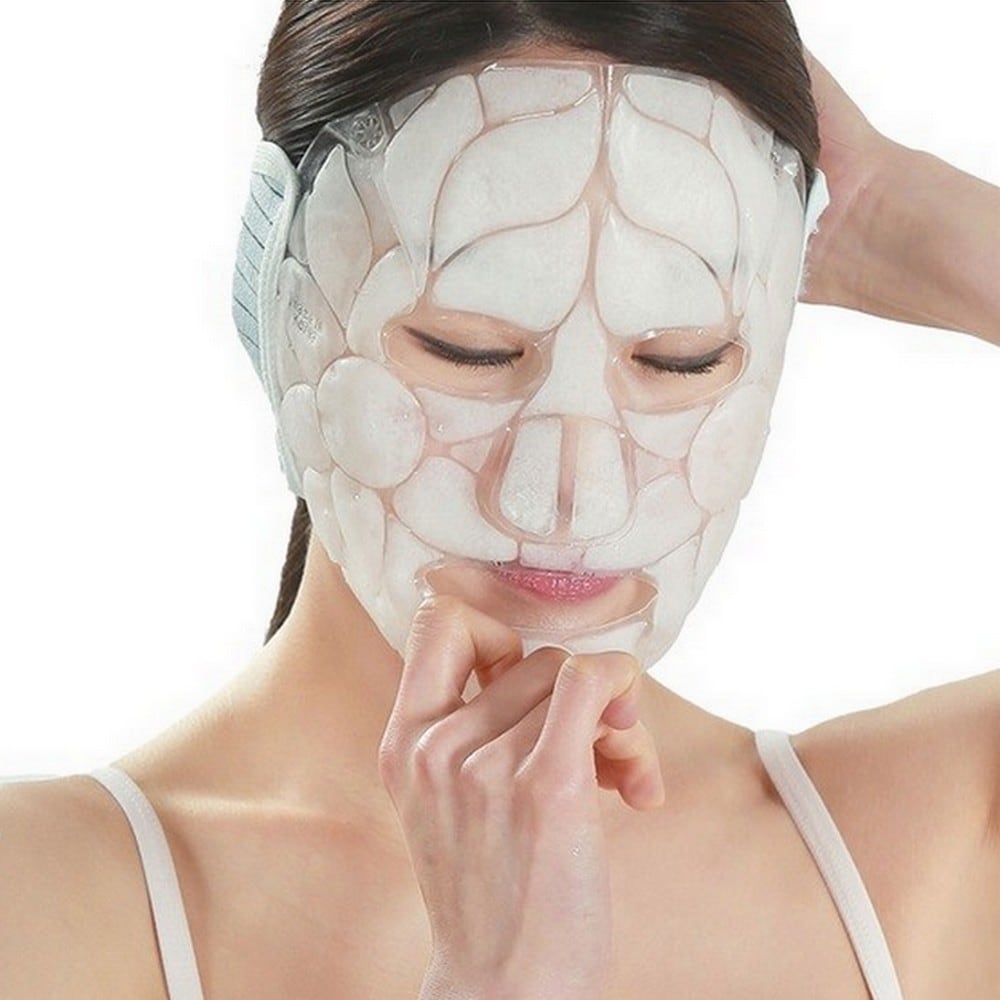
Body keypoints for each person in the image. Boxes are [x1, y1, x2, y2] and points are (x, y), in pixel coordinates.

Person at [1, 3, 997, 998]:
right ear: (282, 297)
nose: (572, 494)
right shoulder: (39, 904)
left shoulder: (915, 852)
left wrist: (894, 222)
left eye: (680, 360)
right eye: (468, 352)